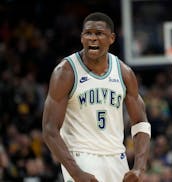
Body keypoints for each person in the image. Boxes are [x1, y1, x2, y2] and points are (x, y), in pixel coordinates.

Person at [42, 12, 151, 182]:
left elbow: (141, 122)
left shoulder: (124, 73)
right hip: (81, 155)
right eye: (88, 33)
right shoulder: (65, 72)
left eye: (99, 34)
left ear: (112, 38)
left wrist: (139, 168)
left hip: (117, 157)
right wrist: (76, 172)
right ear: (81, 37)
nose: (93, 38)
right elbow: (49, 129)